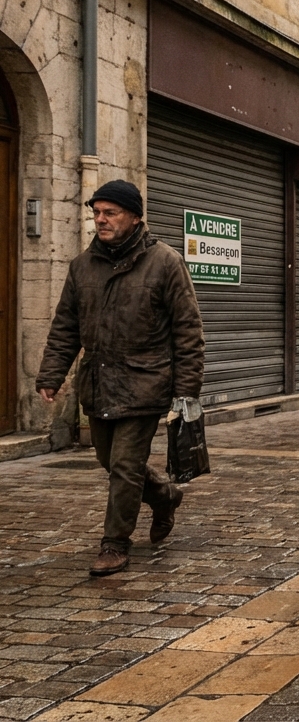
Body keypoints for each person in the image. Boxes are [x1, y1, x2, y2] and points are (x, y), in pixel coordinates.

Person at [36, 180, 205, 576]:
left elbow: (188, 330)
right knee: (109, 462)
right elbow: (65, 326)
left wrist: (186, 392)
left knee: (126, 466)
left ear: (134, 217)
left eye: (110, 213)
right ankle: (164, 495)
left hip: (145, 382)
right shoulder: (81, 266)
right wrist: (51, 374)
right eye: (96, 213)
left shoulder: (165, 262)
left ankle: (114, 544)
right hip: (98, 383)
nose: (101, 220)